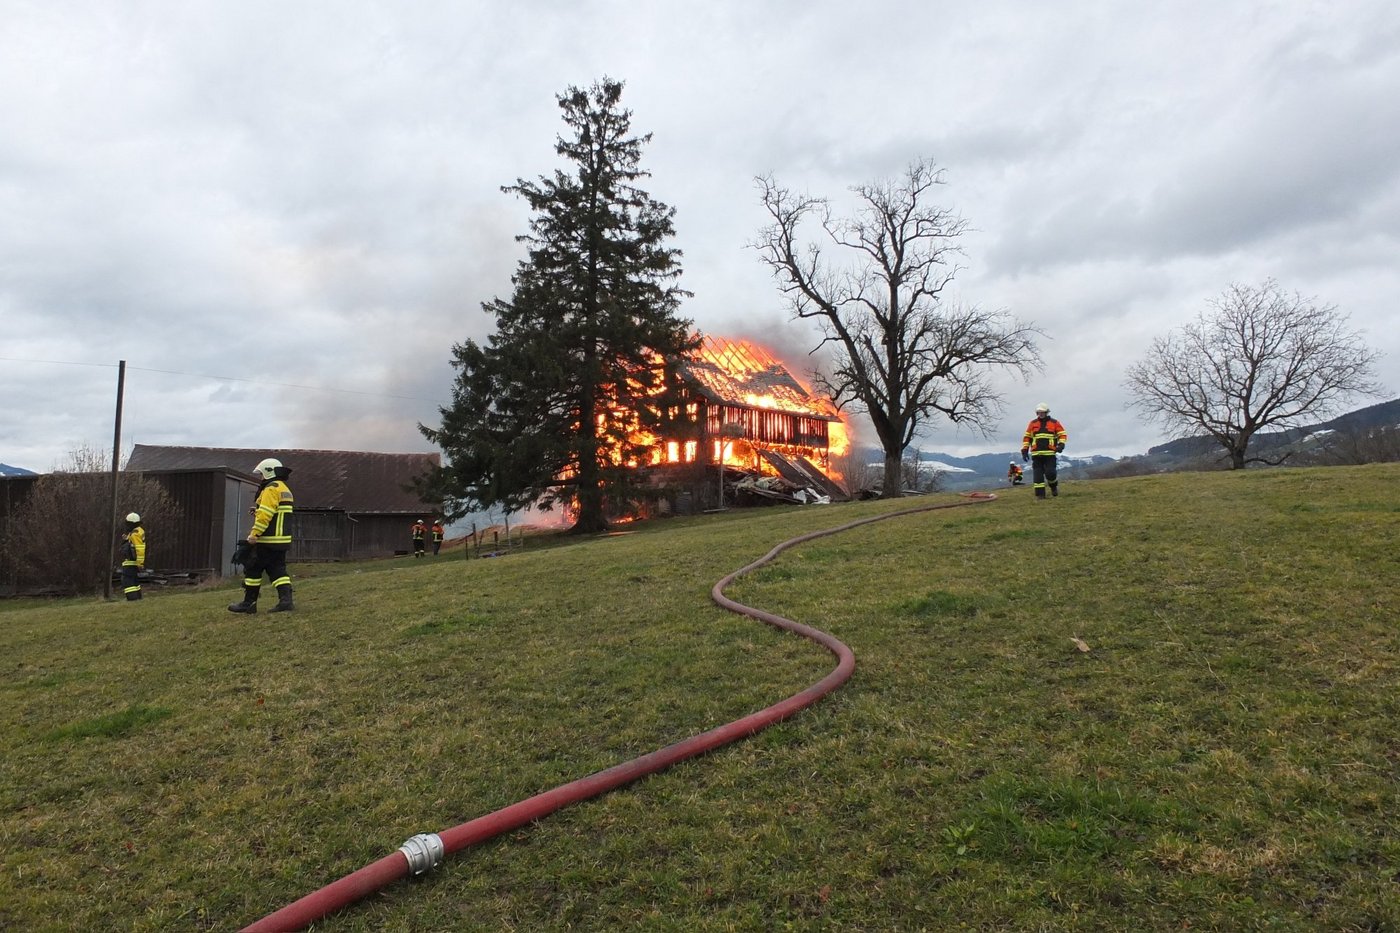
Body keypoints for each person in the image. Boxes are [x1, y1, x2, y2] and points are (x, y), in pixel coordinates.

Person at [228, 457, 295, 614]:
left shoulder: (270, 489)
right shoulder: (283, 488)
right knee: (277, 570)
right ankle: (286, 601)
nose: (261, 477)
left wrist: (254, 535)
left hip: (268, 539)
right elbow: (275, 512)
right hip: (281, 540)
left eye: (262, 474)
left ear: (268, 472)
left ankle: (248, 603)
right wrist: (257, 511)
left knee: (253, 568)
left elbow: (265, 516)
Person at [1021, 402, 1068, 499]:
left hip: (1050, 453)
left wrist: (1061, 445)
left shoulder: (1054, 423)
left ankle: (1053, 487)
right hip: (1036, 454)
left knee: (1050, 473)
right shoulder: (1032, 423)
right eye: (1039, 412)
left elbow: (1062, 434)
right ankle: (1040, 496)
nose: (1040, 414)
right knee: (1038, 476)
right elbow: (1027, 437)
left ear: (1046, 412)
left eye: (1042, 412)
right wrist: (1025, 450)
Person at [119, 512, 146, 601]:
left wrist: (140, 563)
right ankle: (137, 597)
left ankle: (132, 598)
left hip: (131, 561)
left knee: (128, 581)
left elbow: (139, 549)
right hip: (133, 561)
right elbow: (133, 544)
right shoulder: (137, 531)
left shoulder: (135, 533)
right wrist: (127, 539)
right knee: (134, 580)